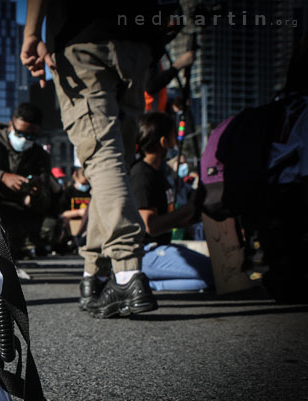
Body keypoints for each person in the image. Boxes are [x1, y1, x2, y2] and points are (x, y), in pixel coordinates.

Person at [20, 1, 176, 317]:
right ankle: (94, 273)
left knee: (104, 159)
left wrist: (32, 32)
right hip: (137, 45)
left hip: (83, 43)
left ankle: (127, 273)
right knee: (112, 167)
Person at [131, 112, 212, 291]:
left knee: (217, 278)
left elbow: (171, 219)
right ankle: (136, 280)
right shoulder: (142, 175)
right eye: (173, 136)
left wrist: (196, 212)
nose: (176, 142)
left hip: (162, 248)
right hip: (146, 252)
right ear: (163, 142)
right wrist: (187, 210)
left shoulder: (161, 173)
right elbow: (149, 226)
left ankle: (145, 283)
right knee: (213, 273)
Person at [0, 102, 54, 258]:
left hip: (20, 208)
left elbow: (47, 197)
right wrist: (1, 176)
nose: (24, 139)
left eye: (31, 136)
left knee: (50, 226)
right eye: (20, 133)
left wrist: (35, 194)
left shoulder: (40, 155)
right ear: (11, 125)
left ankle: (21, 245)